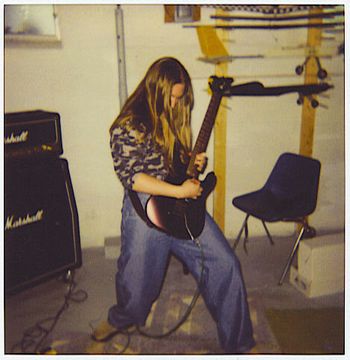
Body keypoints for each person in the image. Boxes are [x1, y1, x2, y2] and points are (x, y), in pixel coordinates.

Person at [92, 57, 255, 354]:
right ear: (154, 89)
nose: (175, 104)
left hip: (180, 203)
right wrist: (180, 192)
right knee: (140, 286)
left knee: (226, 264)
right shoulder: (127, 125)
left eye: (180, 98)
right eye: (171, 97)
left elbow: (174, 161)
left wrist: (191, 160)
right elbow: (134, 177)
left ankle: (240, 345)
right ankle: (122, 318)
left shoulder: (173, 116)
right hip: (145, 208)